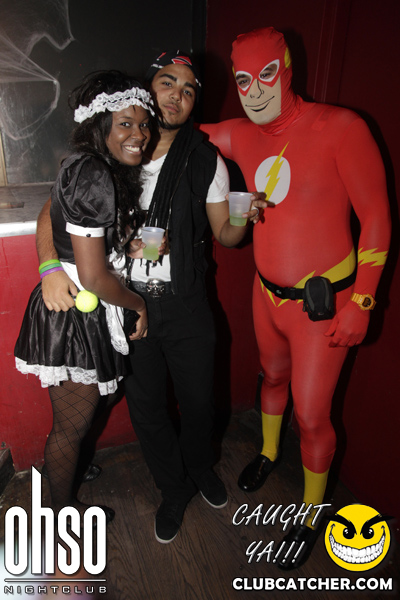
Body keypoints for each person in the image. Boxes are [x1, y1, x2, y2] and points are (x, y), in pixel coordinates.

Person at [34, 51, 268, 544]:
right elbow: (51, 212)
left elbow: (226, 235)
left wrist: (245, 217)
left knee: (200, 403)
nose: (177, 95)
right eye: (168, 82)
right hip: (128, 305)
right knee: (147, 409)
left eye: (189, 89)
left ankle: (200, 470)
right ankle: (172, 488)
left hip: (185, 301)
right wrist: (50, 267)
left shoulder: (205, 160)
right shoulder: (115, 156)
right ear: (146, 89)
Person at [200, 27, 391, 568]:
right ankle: (267, 451)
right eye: (243, 80)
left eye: (266, 74)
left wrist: (364, 300)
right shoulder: (241, 133)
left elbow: (377, 217)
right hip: (266, 296)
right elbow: (184, 134)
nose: (256, 90)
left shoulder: (341, 128)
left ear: (286, 70)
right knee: (271, 378)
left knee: (311, 415)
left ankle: (311, 512)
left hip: (320, 306)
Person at [14, 70, 156, 521]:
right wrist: (138, 304)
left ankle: (68, 468)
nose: (139, 135)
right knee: (71, 426)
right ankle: (60, 514)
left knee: (97, 401)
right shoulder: (94, 174)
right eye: (125, 124)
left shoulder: (92, 166)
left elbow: (69, 224)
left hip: (88, 304)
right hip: (78, 306)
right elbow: (93, 276)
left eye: (143, 124)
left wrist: (125, 247)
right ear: (100, 125)